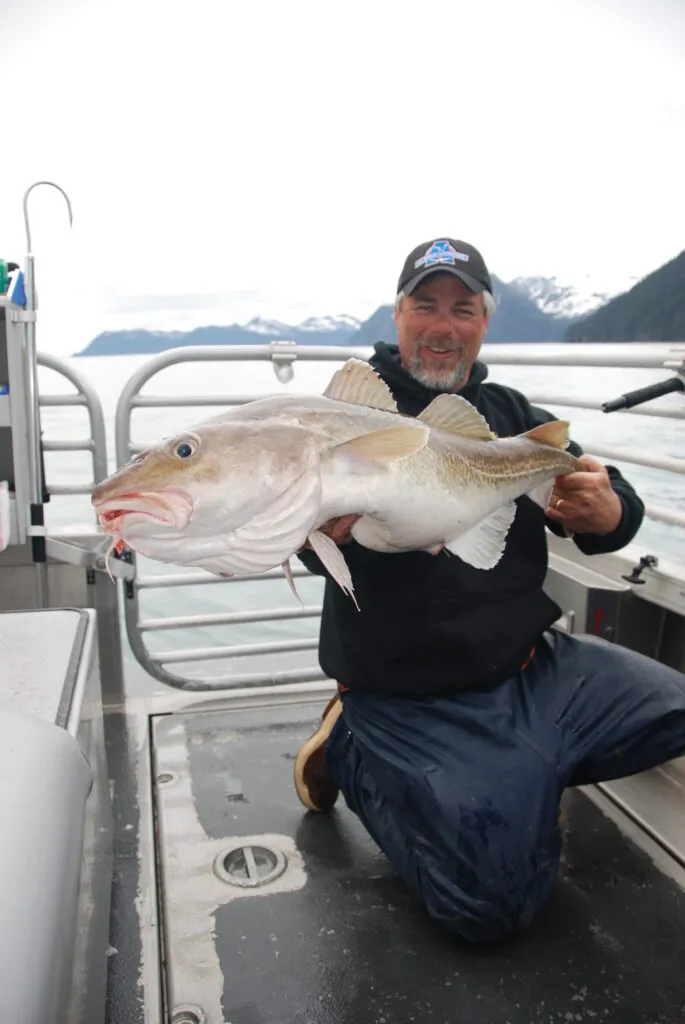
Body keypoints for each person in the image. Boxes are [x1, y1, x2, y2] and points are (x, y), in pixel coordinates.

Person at [293, 237, 685, 943]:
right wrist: (307, 529)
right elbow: (300, 529)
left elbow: (596, 488)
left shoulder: (507, 412)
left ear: (482, 323)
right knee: (491, 908)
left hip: (536, 671)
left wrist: (609, 511)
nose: (442, 326)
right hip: (410, 699)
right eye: (425, 306)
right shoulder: (345, 424)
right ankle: (351, 750)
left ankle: (518, 780)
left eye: (462, 309)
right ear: (397, 314)